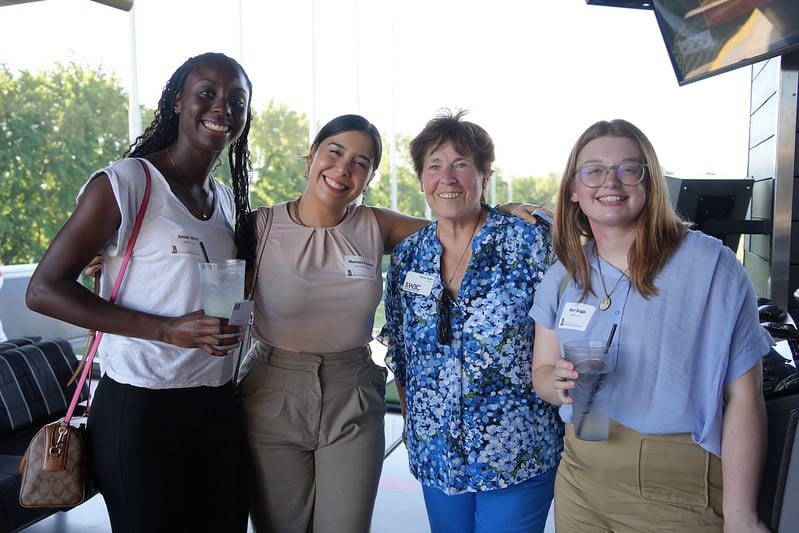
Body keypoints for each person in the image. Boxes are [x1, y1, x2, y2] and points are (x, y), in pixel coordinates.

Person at [26, 52, 254, 533]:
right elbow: (44, 289)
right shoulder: (128, 182)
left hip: (216, 404)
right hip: (141, 408)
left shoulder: (228, 201)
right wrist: (166, 329)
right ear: (176, 101)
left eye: (237, 100)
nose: (222, 108)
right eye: (207, 93)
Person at [530, 119, 771, 532]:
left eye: (629, 168)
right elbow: (542, 371)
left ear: (650, 180)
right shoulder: (565, 275)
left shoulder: (710, 266)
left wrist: (741, 515)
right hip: (580, 479)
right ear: (573, 189)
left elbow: (745, 397)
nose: (611, 182)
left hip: (676, 488)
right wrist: (557, 384)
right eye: (594, 170)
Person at [378, 109, 564, 533]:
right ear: (422, 178)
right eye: (435, 166)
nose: (447, 177)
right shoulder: (409, 254)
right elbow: (403, 355)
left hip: (517, 450)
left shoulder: (529, 241)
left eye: (461, 164)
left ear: (485, 174)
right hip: (436, 453)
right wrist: (414, 428)